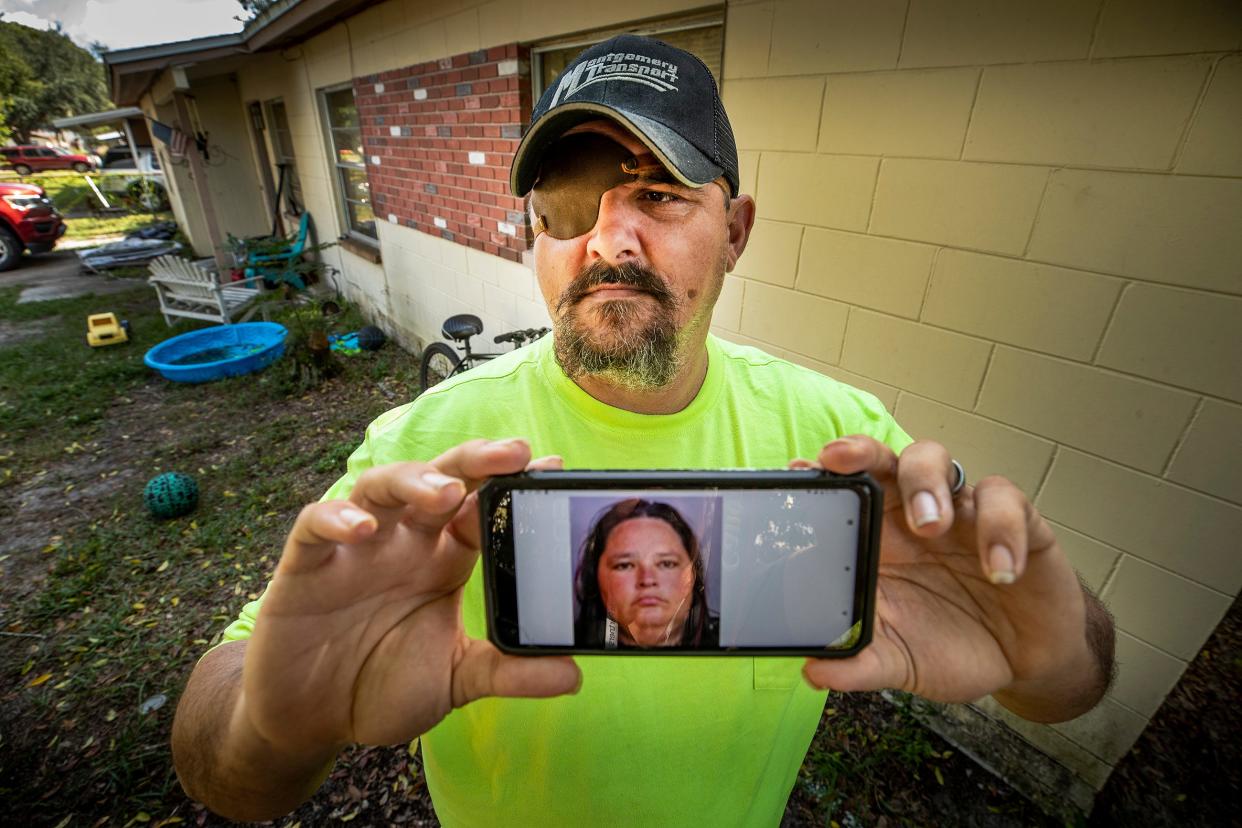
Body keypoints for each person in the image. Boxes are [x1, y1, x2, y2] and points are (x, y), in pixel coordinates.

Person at [171, 34, 1115, 825]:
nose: (609, 241)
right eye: (563, 208)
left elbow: (1068, 684)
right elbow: (225, 772)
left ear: (736, 230)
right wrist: (274, 726)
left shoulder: (838, 443)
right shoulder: (426, 454)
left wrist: (1044, 647)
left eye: (658, 194)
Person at [574, 498, 718, 648]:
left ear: (694, 577)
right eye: (625, 565)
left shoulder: (736, 652)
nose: (647, 580)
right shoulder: (561, 657)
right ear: (595, 577)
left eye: (666, 564)